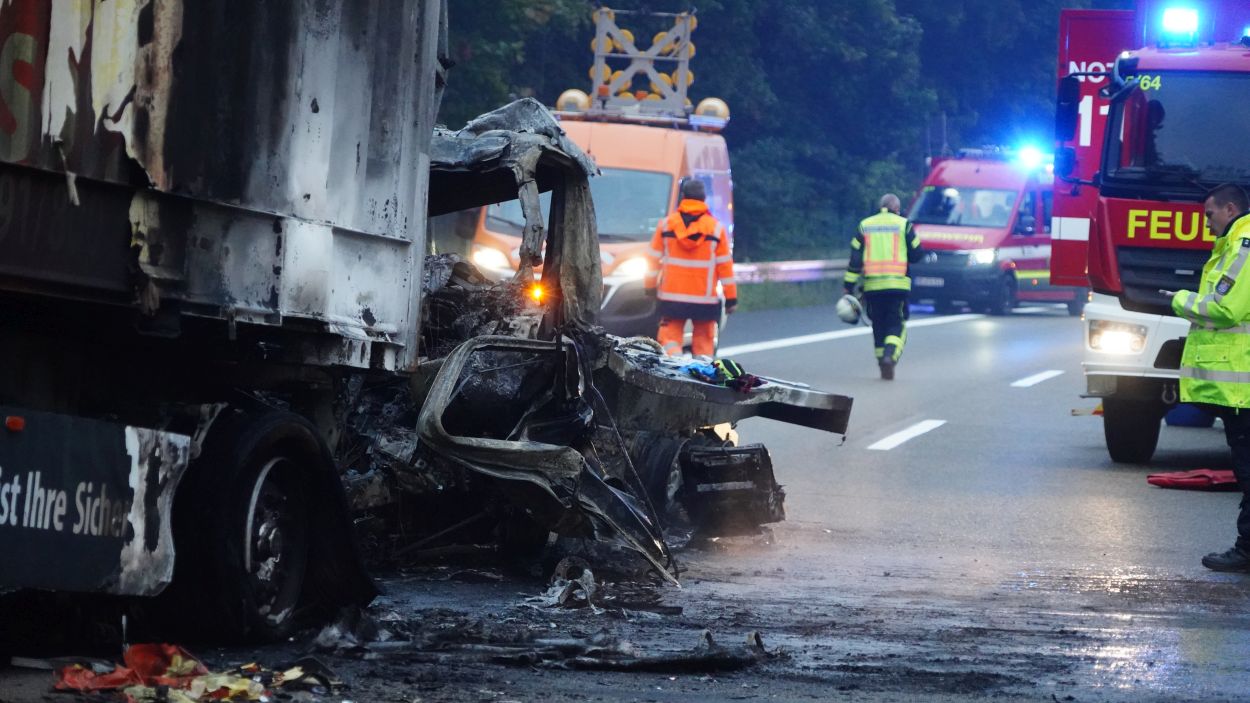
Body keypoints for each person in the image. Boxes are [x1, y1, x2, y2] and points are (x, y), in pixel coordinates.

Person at [1168, 183, 1250, 572]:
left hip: (1243, 387)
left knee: (1249, 469)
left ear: (1230, 209)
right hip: (1240, 384)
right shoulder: (1233, 244)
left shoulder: (1243, 246)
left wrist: (1178, 299)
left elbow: (1226, 308)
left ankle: (1247, 550)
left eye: (1209, 214)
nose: (1205, 223)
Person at [644, 179, 737, 357]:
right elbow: (725, 267)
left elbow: (652, 261)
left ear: (683, 197)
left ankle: (675, 364)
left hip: (671, 298)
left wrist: (649, 288)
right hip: (705, 300)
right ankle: (701, 372)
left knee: (669, 338)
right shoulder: (716, 229)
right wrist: (731, 298)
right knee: (704, 344)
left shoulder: (666, 225)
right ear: (703, 199)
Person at [843, 193, 923, 380]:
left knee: (878, 325)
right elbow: (917, 254)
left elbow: (855, 260)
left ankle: (882, 363)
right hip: (897, 287)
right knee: (896, 324)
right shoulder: (904, 225)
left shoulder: (865, 225)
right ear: (897, 209)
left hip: (872, 287)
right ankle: (890, 356)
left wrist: (848, 286)